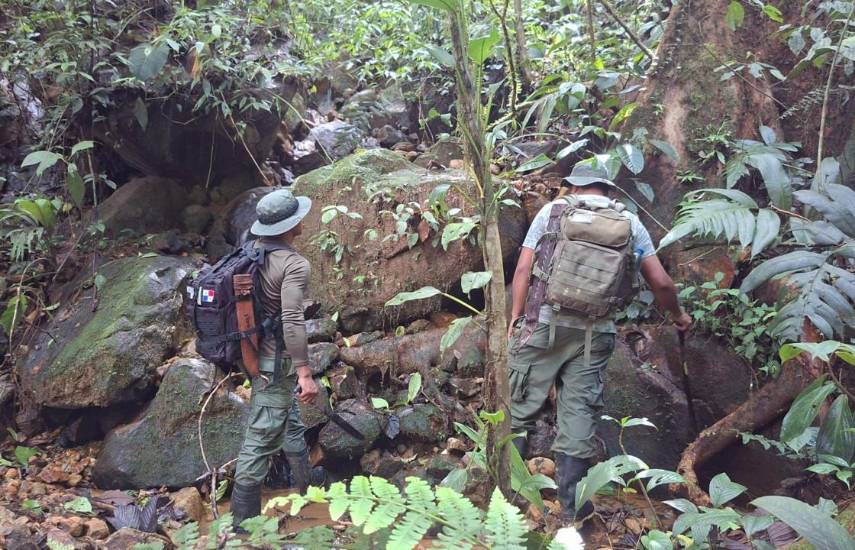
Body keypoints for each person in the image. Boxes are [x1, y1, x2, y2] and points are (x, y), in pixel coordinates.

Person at [507, 163, 692, 525]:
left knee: (519, 409)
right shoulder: (630, 223)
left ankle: (507, 501)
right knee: (578, 416)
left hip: (543, 325)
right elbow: (662, 283)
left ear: (573, 187)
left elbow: (522, 271)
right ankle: (573, 512)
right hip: (594, 334)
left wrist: (517, 316)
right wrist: (678, 316)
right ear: (606, 190)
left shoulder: (552, 212)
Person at [229, 188, 320, 529]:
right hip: (274, 360)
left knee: (291, 420)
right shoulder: (294, 264)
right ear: (290, 224)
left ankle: (308, 493)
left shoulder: (252, 252)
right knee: (261, 437)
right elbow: (293, 319)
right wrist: (305, 373)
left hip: (253, 352)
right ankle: (241, 527)